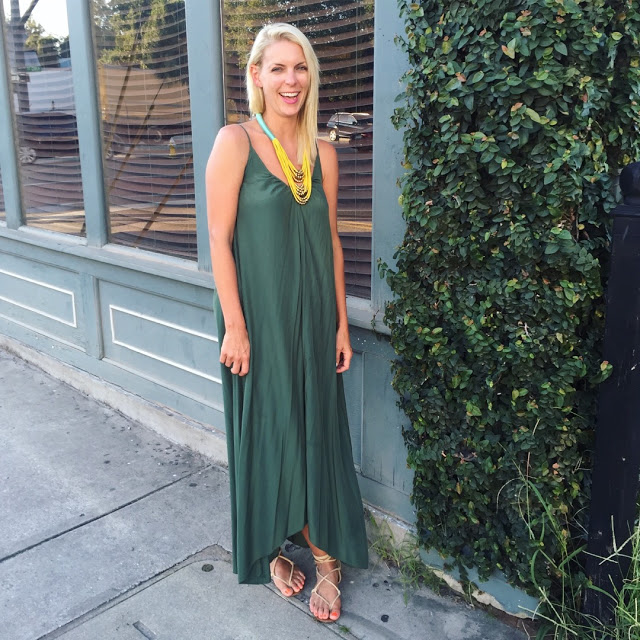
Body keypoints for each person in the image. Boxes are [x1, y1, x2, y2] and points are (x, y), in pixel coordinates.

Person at [205, 22, 368, 623]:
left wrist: (341, 325)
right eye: (277, 67)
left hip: (316, 317)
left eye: (300, 68)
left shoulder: (324, 153)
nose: (290, 80)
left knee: (317, 429)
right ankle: (270, 547)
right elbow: (218, 239)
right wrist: (235, 325)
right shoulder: (235, 141)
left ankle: (326, 554)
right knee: (269, 428)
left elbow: (331, 241)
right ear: (256, 75)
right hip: (259, 318)